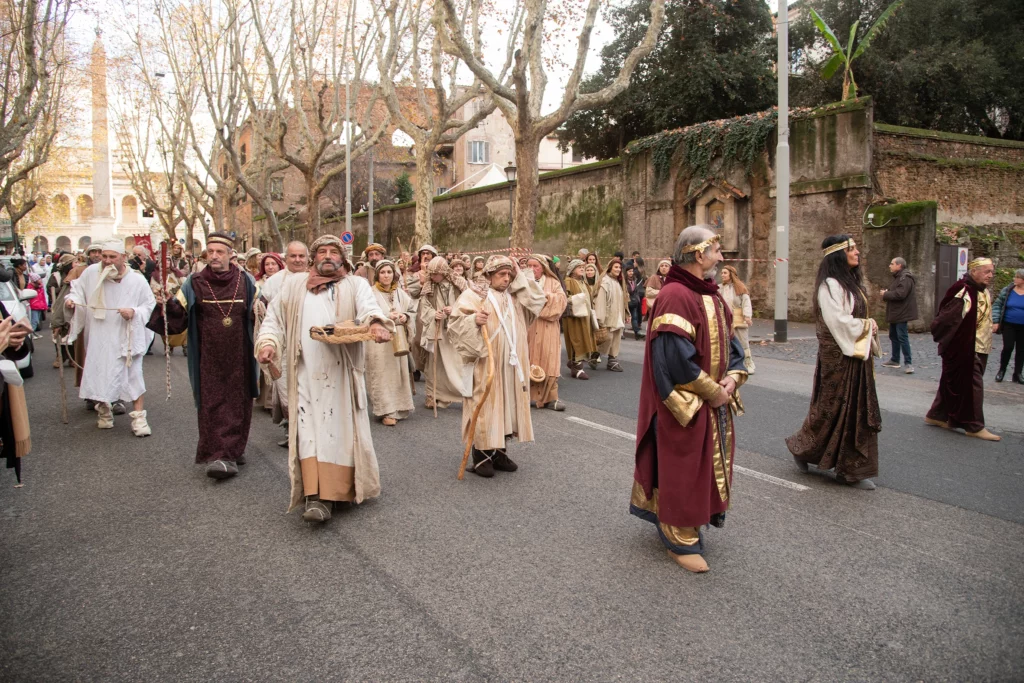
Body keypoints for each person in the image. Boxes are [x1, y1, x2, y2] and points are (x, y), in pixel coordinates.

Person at [631, 226, 747, 573]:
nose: (721, 257)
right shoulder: (676, 295)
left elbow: (733, 346)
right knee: (683, 467)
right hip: (685, 403)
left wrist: (733, 376)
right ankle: (678, 533)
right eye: (716, 250)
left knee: (705, 467)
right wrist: (713, 392)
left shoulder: (712, 295)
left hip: (714, 399)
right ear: (699, 254)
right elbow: (673, 360)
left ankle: (693, 521)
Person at [255, 235, 393, 523]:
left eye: (334, 252)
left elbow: (369, 308)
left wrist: (377, 324)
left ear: (342, 258)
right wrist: (268, 344)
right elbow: (274, 321)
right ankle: (316, 496)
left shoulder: (355, 284)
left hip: (341, 375)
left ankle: (339, 491)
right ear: (313, 257)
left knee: (339, 435)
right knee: (309, 435)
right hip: (305, 374)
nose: (327, 256)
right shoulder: (294, 285)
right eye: (322, 252)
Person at [151, 232, 261, 478]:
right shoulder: (195, 281)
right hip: (207, 355)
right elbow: (177, 316)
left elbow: (260, 313)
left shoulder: (246, 281)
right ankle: (220, 455)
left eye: (219, 252)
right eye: (210, 251)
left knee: (238, 402)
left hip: (240, 354)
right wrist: (166, 303)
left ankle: (232, 450)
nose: (214, 256)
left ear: (230, 255)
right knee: (212, 403)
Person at [787, 235, 881, 488]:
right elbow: (837, 321)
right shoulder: (829, 285)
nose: (857, 252)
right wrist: (866, 326)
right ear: (839, 255)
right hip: (838, 359)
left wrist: (866, 326)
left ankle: (851, 468)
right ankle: (804, 449)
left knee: (854, 411)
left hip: (855, 356)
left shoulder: (850, 283)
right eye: (851, 249)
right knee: (832, 412)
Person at [449, 255, 546, 477]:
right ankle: (481, 455)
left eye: (508, 275)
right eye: (501, 274)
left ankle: (500, 451)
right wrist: (473, 321)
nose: (505, 278)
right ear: (489, 276)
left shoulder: (516, 297)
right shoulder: (475, 295)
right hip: (487, 362)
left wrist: (519, 275)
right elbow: (454, 322)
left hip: (511, 363)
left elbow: (538, 301)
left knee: (507, 404)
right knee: (486, 406)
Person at [65, 241, 156, 436]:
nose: (106, 261)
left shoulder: (137, 280)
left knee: (133, 375)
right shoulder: (91, 273)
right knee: (100, 371)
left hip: (128, 334)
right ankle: (104, 412)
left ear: (123, 257)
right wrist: (72, 301)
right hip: (100, 332)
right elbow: (77, 291)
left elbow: (149, 305)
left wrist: (133, 312)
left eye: (112, 257)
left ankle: (139, 418)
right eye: (104, 256)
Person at [925, 257, 1001, 441]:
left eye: (992, 272)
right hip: (965, 349)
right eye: (986, 271)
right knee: (973, 386)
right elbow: (945, 320)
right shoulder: (963, 290)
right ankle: (974, 426)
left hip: (980, 346)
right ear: (974, 271)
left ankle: (937, 415)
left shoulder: (982, 291)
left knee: (950, 383)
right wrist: (954, 346)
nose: (990, 275)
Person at [366, 260, 417, 425]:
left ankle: (400, 407)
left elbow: (412, 310)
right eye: (383, 272)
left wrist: (405, 317)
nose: (386, 275)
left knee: (398, 373)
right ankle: (386, 410)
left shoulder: (400, 293)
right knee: (381, 373)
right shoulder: (370, 293)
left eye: (389, 272)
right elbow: (366, 315)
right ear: (377, 275)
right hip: (379, 343)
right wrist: (387, 317)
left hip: (398, 339)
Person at [419, 255, 469, 409]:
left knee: (455, 364)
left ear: (444, 272)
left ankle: (463, 394)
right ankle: (434, 395)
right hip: (437, 330)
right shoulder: (429, 286)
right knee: (435, 364)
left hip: (455, 330)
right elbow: (424, 306)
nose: (433, 277)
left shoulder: (459, 283)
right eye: (431, 274)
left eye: (436, 274)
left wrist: (453, 309)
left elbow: (468, 302)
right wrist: (434, 314)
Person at [525, 254, 567, 410]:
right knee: (526, 359)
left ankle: (550, 398)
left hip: (548, 327)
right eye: (529, 265)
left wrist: (543, 297)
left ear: (543, 267)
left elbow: (562, 302)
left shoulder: (553, 282)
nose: (532, 269)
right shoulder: (523, 283)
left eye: (535, 266)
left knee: (549, 358)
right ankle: (523, 396)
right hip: (528, 327)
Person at [880, 256, 919, 374]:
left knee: (902, 337)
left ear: (899, 265)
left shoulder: (905, 277)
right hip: (896, 312)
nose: (890, 266)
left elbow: (900, 294)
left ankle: (908, 363)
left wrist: (886, 294)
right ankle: (895, 359)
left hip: (902, 313)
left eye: (892, 264)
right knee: (894, 336)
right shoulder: (899, 277)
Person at [563, 259, 596, 380]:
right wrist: (577, 298)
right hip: (573, 317)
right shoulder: (568, 281)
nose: (582, 269)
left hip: (585, 316)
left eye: (583, 267)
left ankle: (574, 364)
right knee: (575, 339)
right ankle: (577, 366)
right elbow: (564, 298)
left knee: (584, 338)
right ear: (572, 270)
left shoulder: (584, 282)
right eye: (579, 267)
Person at [594, 258, 629, 372]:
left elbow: (623, 300)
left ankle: (612, 360)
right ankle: (594, 355)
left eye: (619, 267)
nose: (618, 269)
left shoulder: (618, 282)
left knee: (616, 337)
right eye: (616, 267)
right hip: (608, 315)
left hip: (618, 315)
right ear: (610, 268)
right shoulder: (605, 281)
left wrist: (626, 313)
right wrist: (600, 318)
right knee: (606, 338)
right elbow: (601, 300)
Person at [720, 265, 755, 375]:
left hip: (739, 319)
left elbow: (746, 303)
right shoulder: (719, 288)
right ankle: (729, 364)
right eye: (722, 273)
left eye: (725, 273)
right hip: (725, 319)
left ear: (731, 274)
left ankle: (747, 363)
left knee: (742, 341)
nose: (722, 275)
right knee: (726, 341)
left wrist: (747, 316)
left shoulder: (740, 287)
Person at [992, 268, 1024, 384]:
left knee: (1021, 350)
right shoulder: (1008, 290)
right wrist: (995, 321)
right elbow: (997, 305)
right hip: (1009, 324)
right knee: (1008, 347)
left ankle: (1018, 373)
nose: (1014, 279)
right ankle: (1001, 370)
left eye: (1017, 277)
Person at [624, 261, 646, 340]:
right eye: (629, 271)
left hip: (634, 302)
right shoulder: (624, 281)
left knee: (634, 317)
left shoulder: (634, 280)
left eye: (632, 271)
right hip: (626, 302)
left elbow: (636, 290)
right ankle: (621, 332)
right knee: (623, 317)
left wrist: (636, 298)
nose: (631, 273)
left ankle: (637, 333)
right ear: (626, 272)